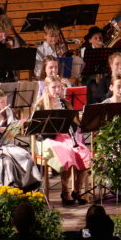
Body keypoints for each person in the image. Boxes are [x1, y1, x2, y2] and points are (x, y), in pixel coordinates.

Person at [36, 75, 91, 206]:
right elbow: (39, 130)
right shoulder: (41, 105)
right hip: (49, 139)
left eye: (59, 87)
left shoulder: (65, 103)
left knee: (85, 154)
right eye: (53, 87)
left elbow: (74, 125)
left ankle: (76, 191)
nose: (57, 90)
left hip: (66, 137)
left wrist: (70, 122)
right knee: (67, 155)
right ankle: (65, 191)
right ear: (47, 88)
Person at [0, 87, 40, 191]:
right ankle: (7, 189)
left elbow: (11, 134)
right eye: (2, 102)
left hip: (6, 143)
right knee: (7, 162)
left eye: (6, 100)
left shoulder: (7, 111)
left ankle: (27, 185)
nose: (5, 104)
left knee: (26, 156)